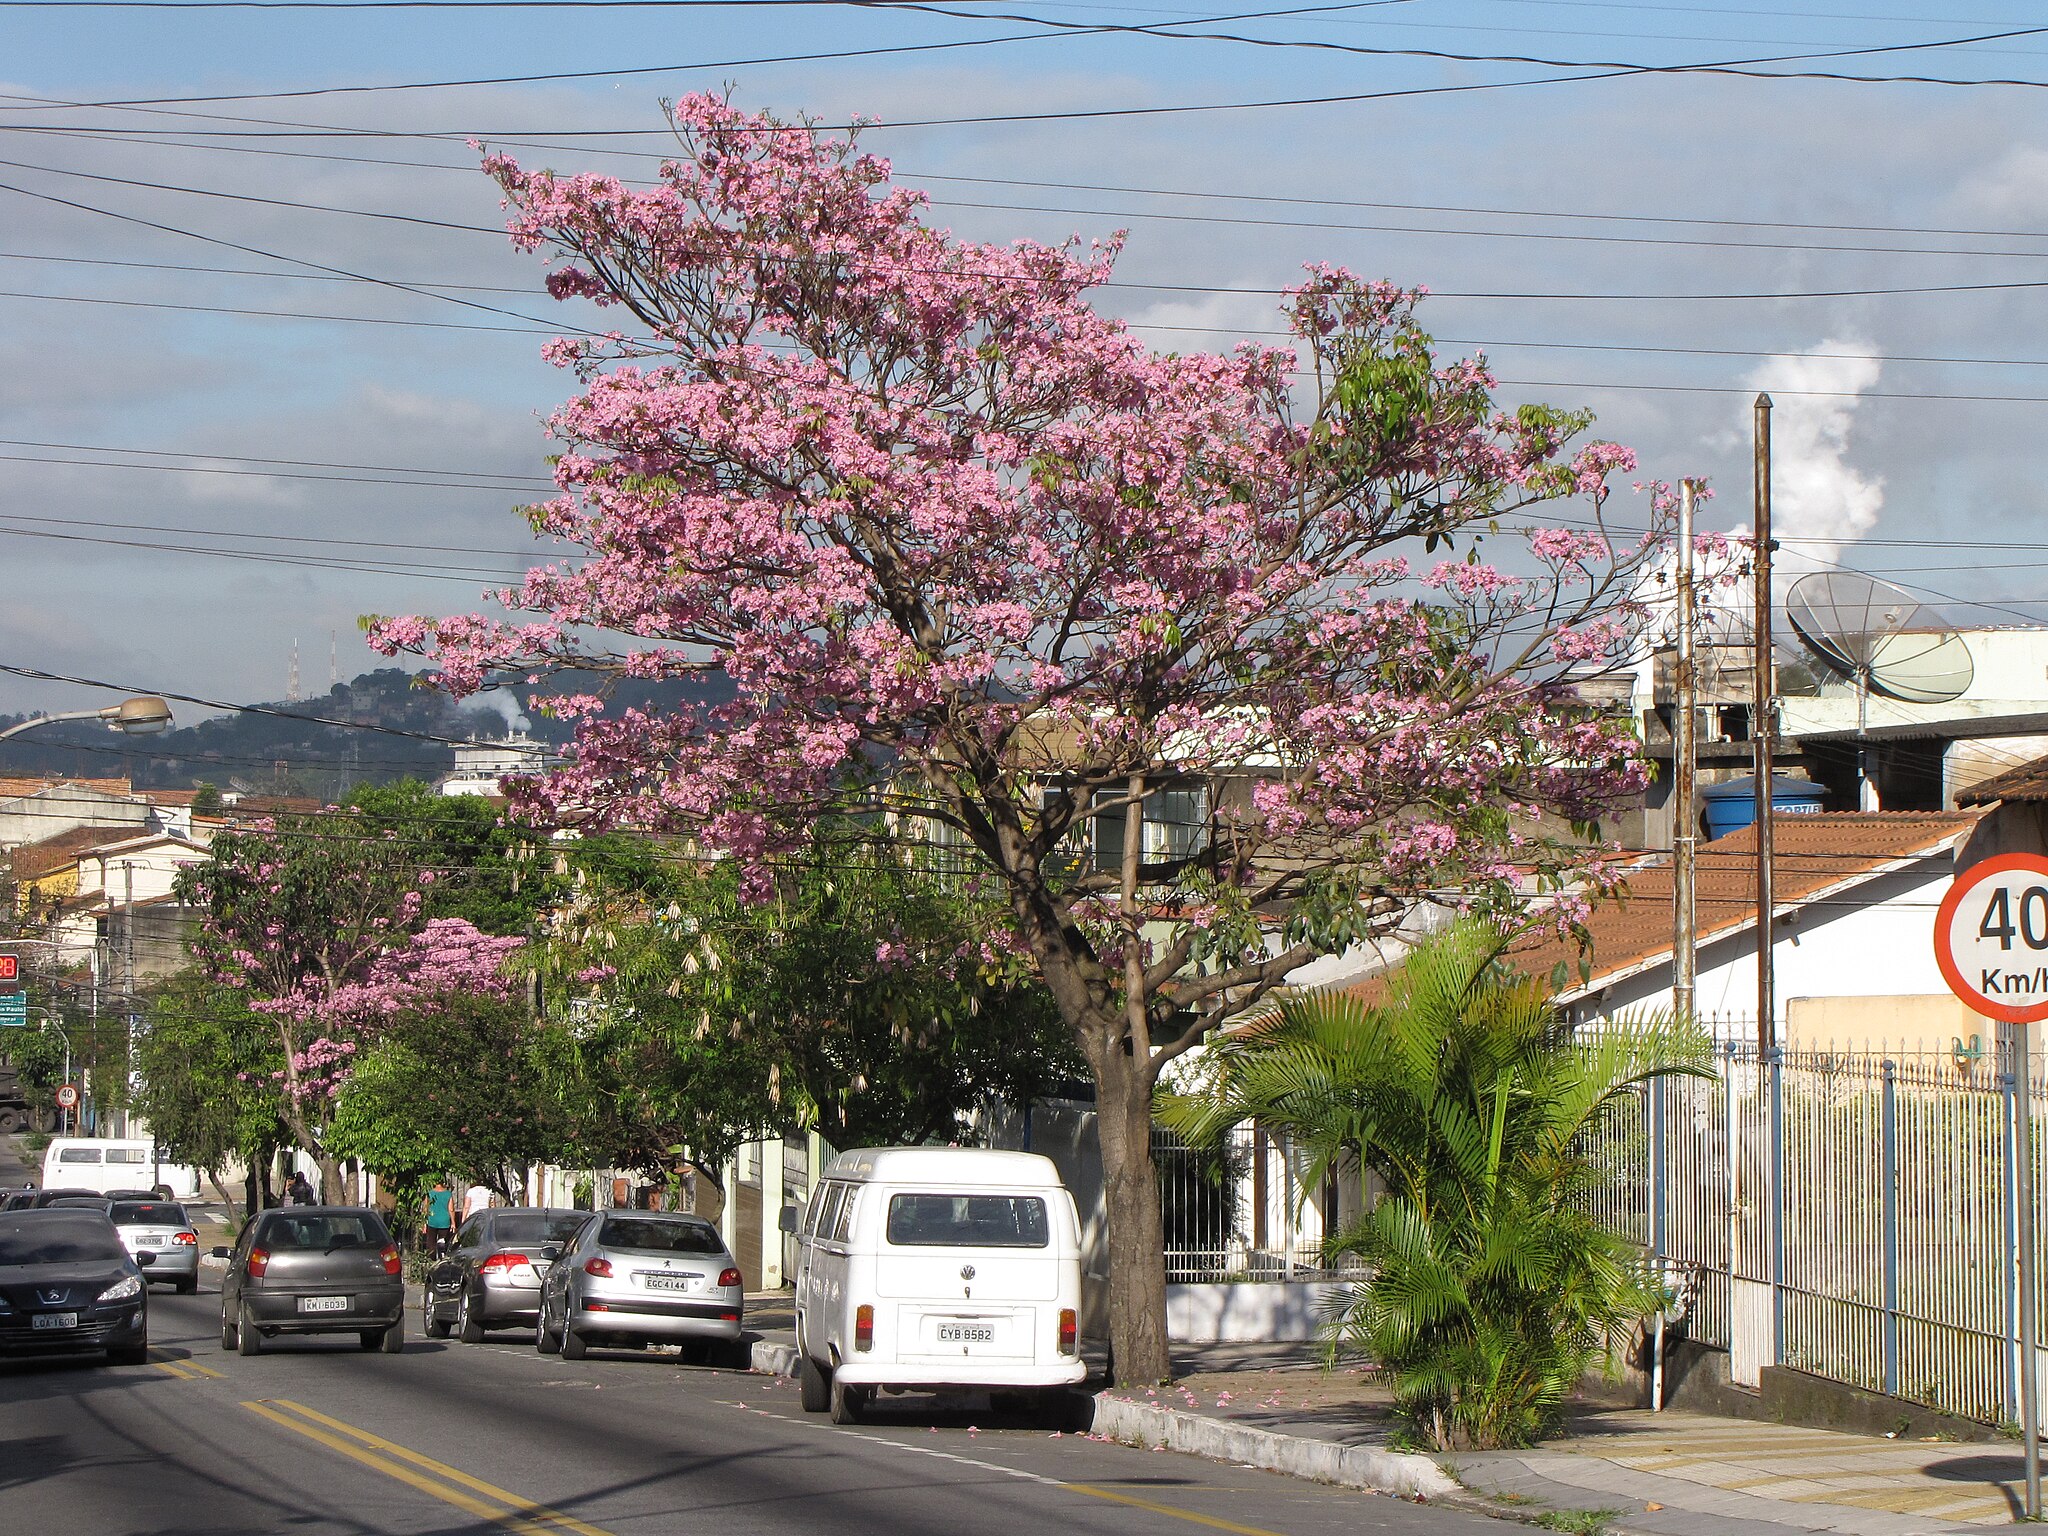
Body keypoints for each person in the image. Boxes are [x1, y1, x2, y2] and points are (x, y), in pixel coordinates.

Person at [423, 1177, 456, 1255]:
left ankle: (431, 1259)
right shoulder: (448, 1194)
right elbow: (451, 1209)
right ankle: (442, 1257)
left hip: (432, 1220)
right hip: (444, 1221)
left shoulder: (429, 1193)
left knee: (431, 1243)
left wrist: (424, 1223)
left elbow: (425, 1208)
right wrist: (453, 1223)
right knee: (443, 1242)